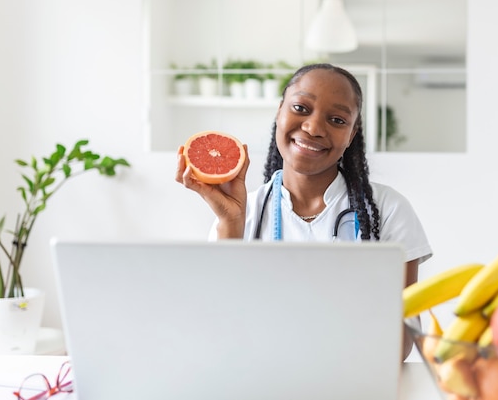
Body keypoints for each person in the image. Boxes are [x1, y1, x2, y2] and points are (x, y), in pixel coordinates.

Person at [176, 63, 432, 360]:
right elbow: (219, 326)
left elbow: (398, 343)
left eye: (337, 119)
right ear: (279, 111)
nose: (313, 127)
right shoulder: (244, 213)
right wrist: (230, 222)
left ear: (351, 134)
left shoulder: (388, 210)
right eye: (300, 107)